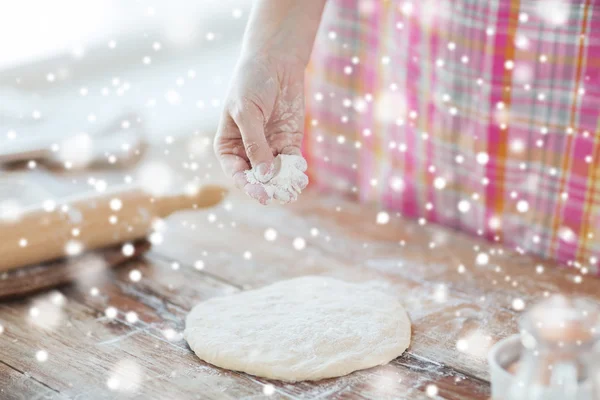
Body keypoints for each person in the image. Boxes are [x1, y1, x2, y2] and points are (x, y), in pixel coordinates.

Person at [215, 0, 600, 271]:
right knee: (385, 253)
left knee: (554, 299)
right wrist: (271, 51)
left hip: (567, 64)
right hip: (397, 49)